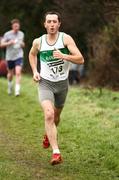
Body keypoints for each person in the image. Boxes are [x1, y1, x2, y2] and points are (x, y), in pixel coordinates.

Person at [29, 11, 84, 165]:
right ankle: (56, 152)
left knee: (56, 117)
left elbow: (80, 59)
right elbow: (32, 55)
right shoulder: (38, 42)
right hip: (45, 83)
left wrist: (64, 56)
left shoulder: (65, 39)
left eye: (55, 22)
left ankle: (48, 134)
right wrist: (35, 71)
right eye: (49, 22)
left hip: (62, 84)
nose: (52, 24)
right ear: (45, 24)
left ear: (59, 24)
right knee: (48, 114)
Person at [1, 19, 25, 96]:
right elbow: (1, 44)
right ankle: (10, 86)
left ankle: (17, 91)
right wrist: (9, 43)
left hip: (19, 55)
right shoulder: (7, 34)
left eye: (18, 26)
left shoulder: (21, 34)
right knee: (10, 74)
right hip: (9, 57)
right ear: (12, 26)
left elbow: (23, 44)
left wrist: (22, 44)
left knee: (18, 72)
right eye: (15, 26)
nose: (16, 27)